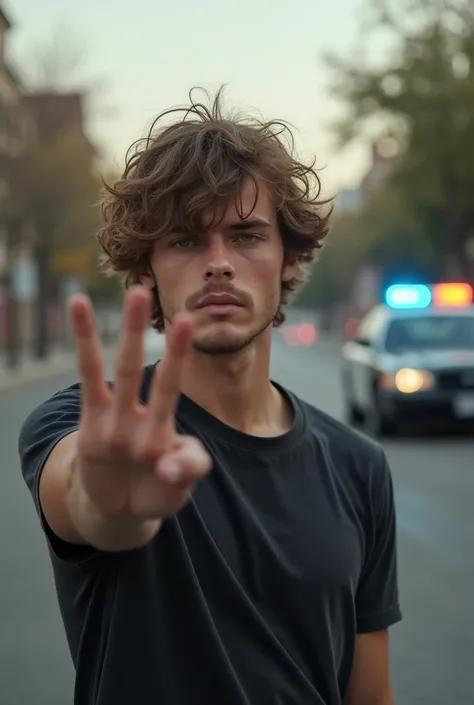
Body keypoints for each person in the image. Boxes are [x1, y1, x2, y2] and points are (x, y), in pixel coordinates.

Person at [19, 89, 401, 705]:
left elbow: (371, 695)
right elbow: (89, 500)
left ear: (288, 258)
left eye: (247, 235)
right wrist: (112, 506)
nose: (219, 263)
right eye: (184, 241)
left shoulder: (359, 466)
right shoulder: (89, 426)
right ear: (147, 271)